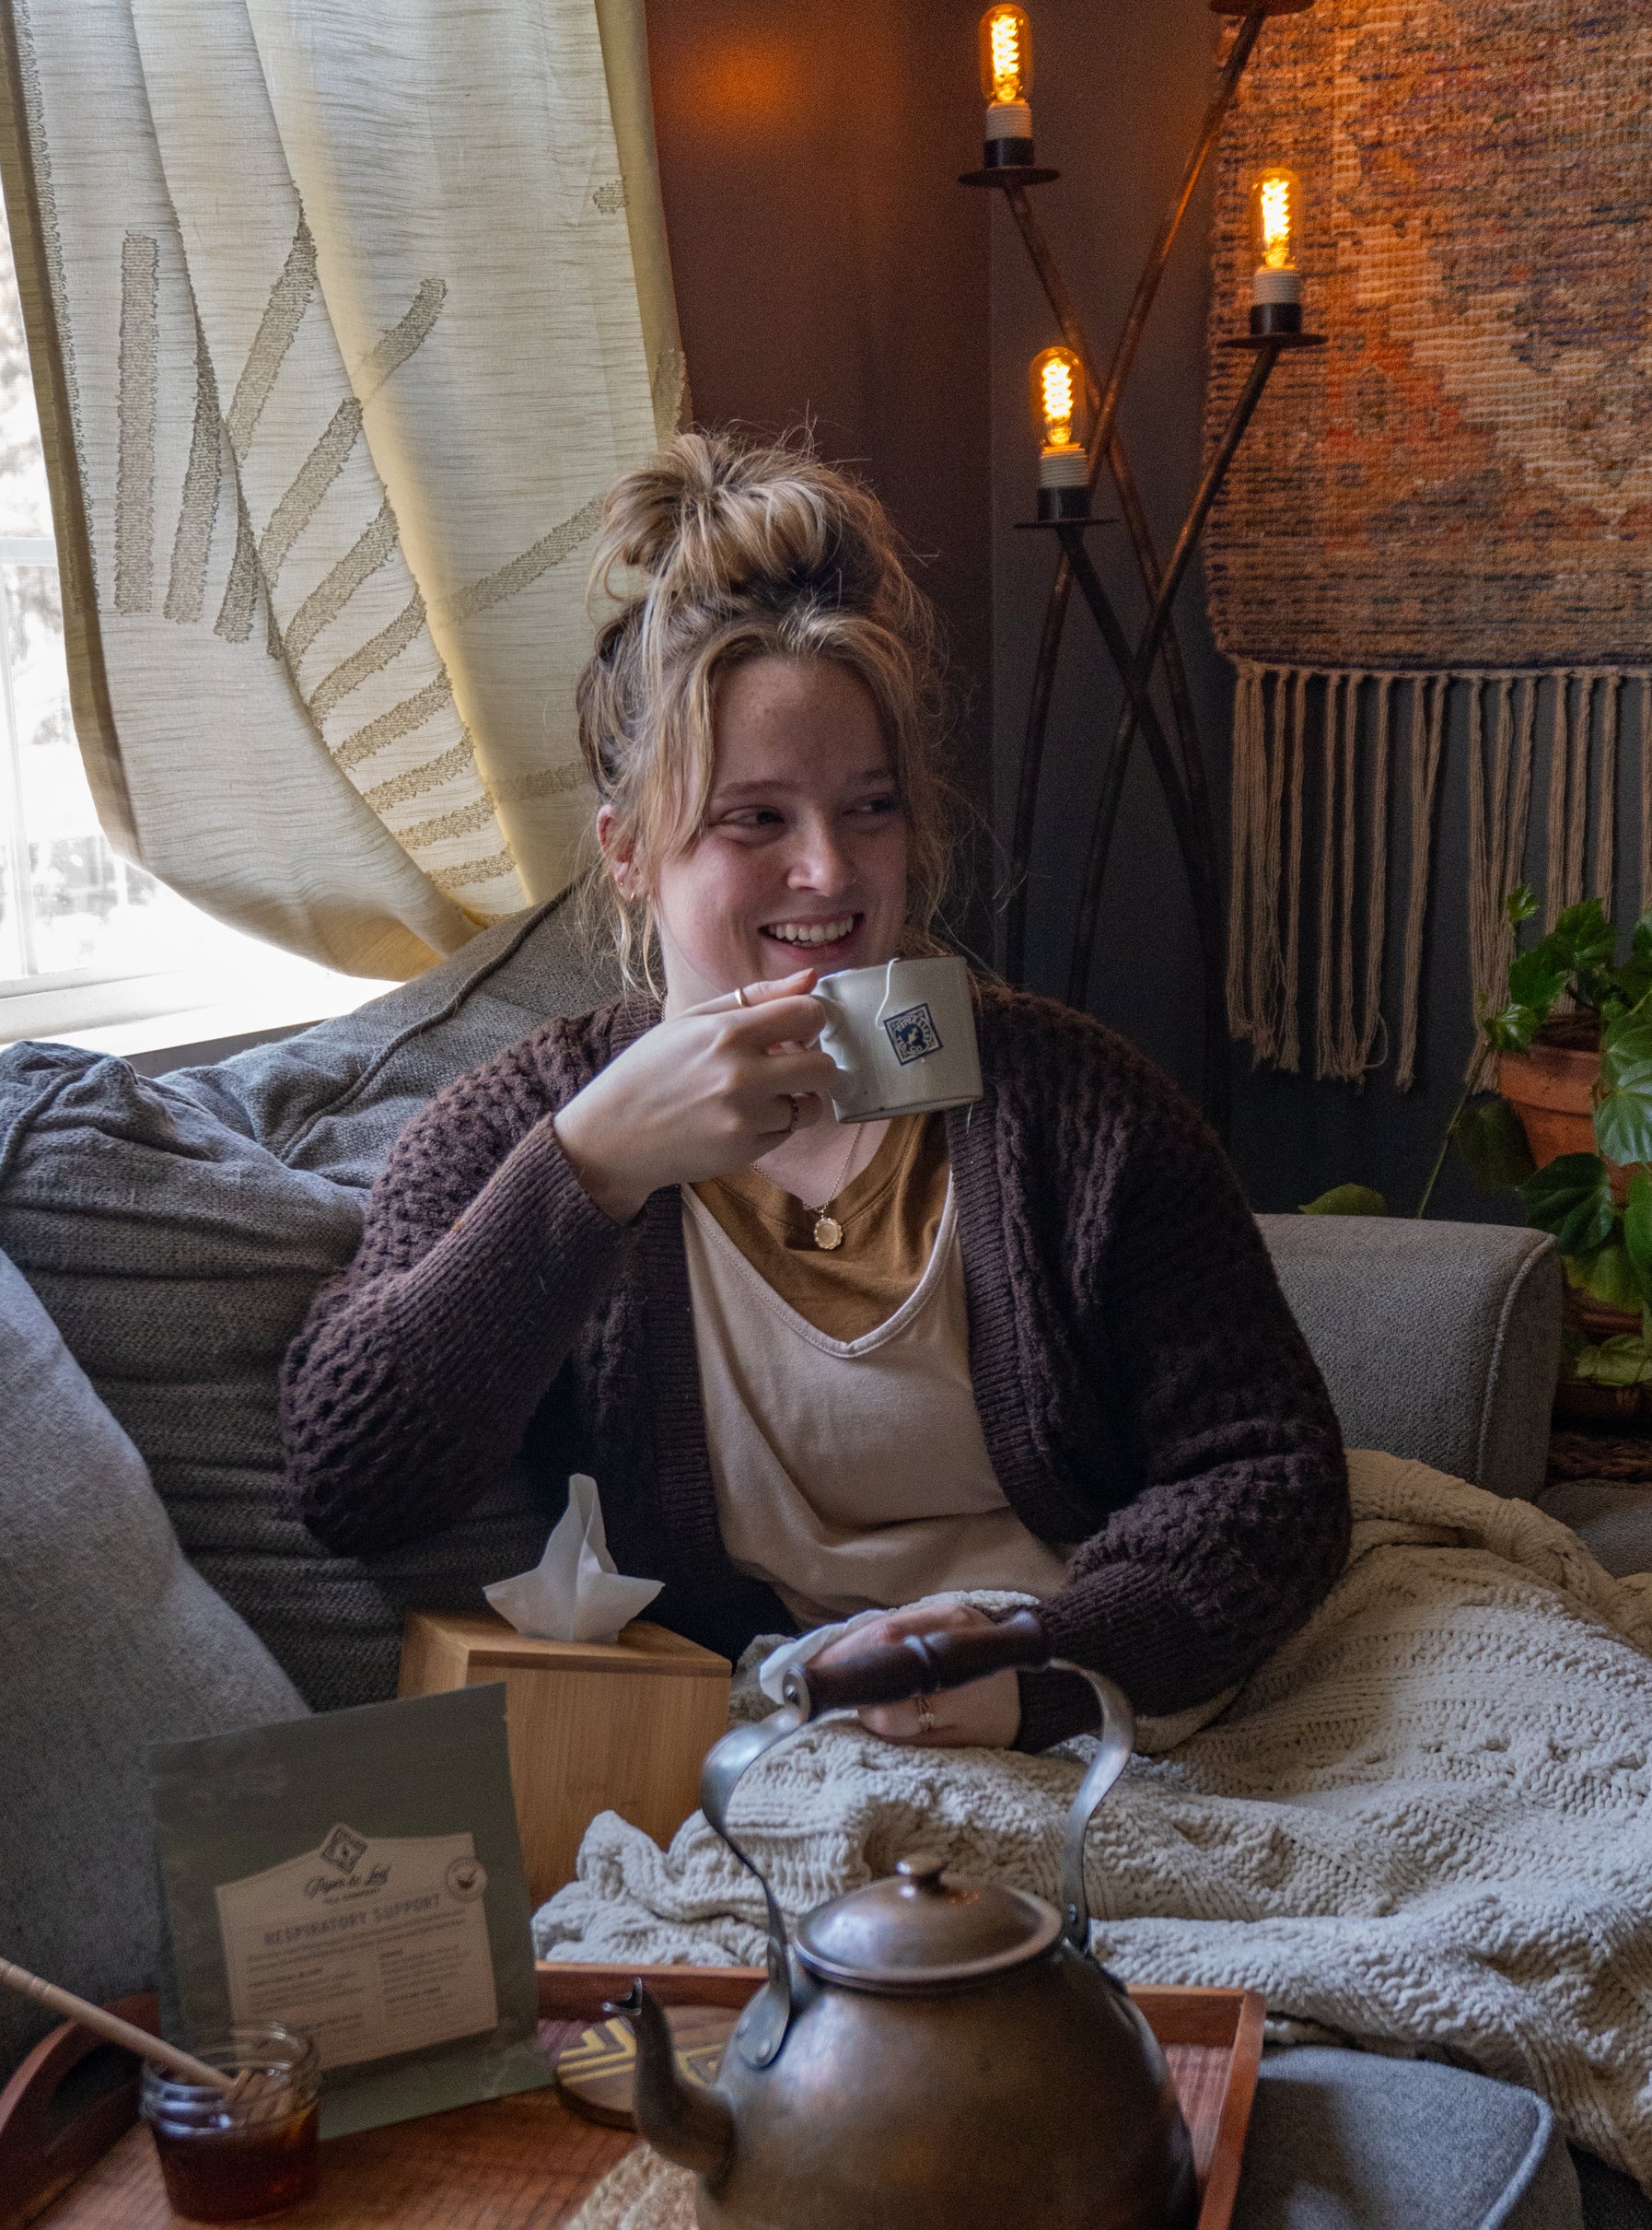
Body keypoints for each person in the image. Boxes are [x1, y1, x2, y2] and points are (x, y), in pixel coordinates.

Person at [281, 432, 1349, 1752]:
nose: (828, 873)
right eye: (755, 820)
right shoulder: (523, 1129)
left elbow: (1267, 1474)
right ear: (627, 852)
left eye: (871, 808)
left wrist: (1036, 1665)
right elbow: (349, 1478)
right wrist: (590, 1171)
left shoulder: (1067, 1104)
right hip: (792, 1737)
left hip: (1098, 1714)